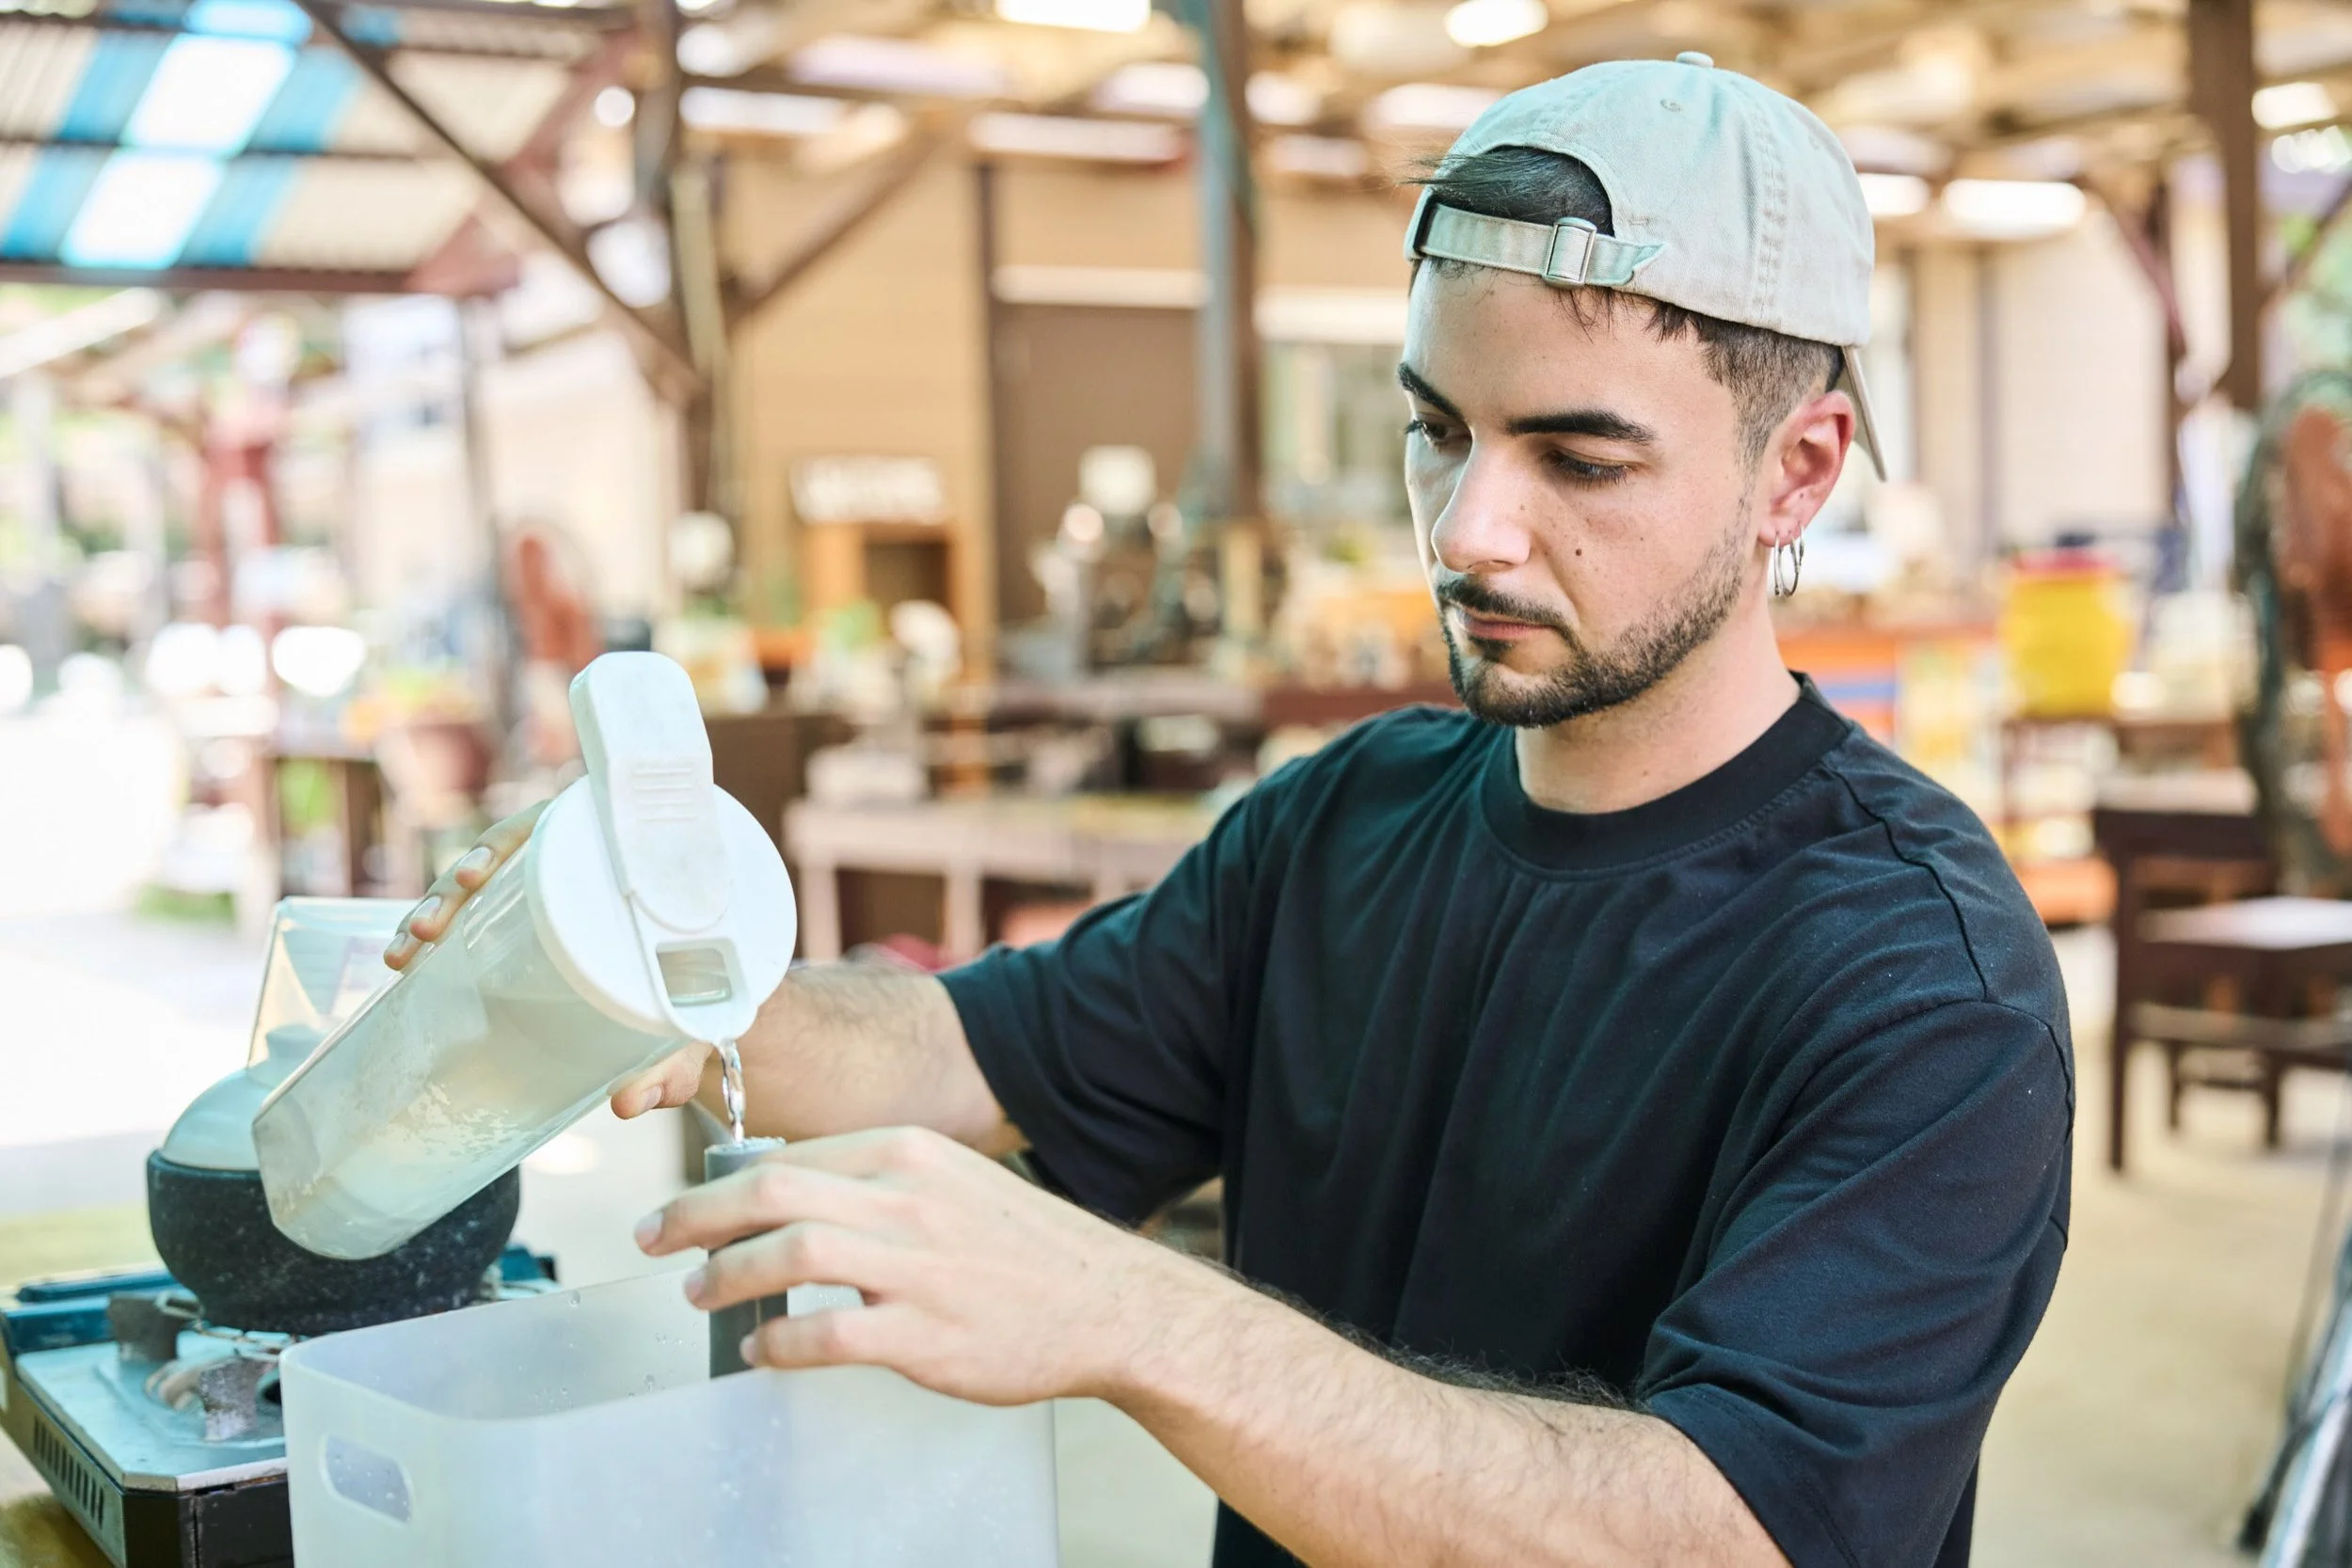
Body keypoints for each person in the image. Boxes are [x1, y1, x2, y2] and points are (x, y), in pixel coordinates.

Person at [393, 55, 2070, 1568]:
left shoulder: (1923, 977)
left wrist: (1141, 1316)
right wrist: (653, 976)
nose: (1469, 529)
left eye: (1578, 458)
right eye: (1437, 429)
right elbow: (961, 1055)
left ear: (1800, 465)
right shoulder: (1347, 821)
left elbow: (1723, 1535)